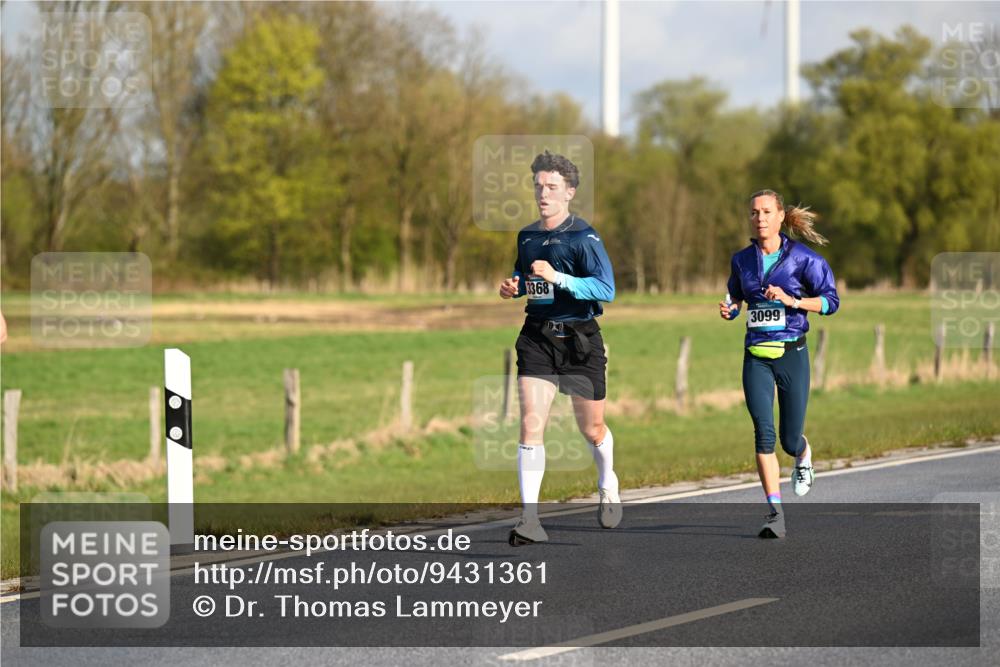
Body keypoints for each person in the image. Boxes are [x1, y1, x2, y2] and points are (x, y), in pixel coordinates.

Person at [498, 150, 619, 546]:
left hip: (580, 339)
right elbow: (525, 274)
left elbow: (606, 289)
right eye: (538, 186)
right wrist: (513, 286)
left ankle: (607, 481)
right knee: (532, 422)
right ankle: (530, 519)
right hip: (537, 337)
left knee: (592, 428)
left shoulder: (584, 237)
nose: (543, 193)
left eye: (551, 187)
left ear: (569, 192)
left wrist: (560, 277)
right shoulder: (527, 236)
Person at [720, 189, 840, 538]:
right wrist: (730, 309)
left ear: (780, 215)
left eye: (767, 212)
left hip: (792, 353)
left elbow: (832, 302)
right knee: (763, 434)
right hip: (756, 356)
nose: (760, 218)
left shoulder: (803, 259)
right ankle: (775, 513)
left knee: (788, 440)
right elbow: (736, 297)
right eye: (754, 212)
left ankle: (802, 455)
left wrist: (793, 300)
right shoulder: (741, 260)